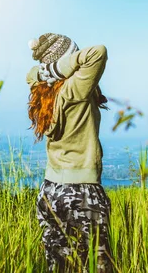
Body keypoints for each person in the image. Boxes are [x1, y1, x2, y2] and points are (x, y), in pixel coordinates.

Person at [26, 33, 113, 273]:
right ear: (66, 61)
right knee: (97, 266)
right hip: (82, 191)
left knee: (59, 266)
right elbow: (98, 51)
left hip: (50, 191)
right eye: (73, 55)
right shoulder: (75, 89)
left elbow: (30, 74)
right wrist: (59, 67)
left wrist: (46, 71)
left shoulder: (43, 90)